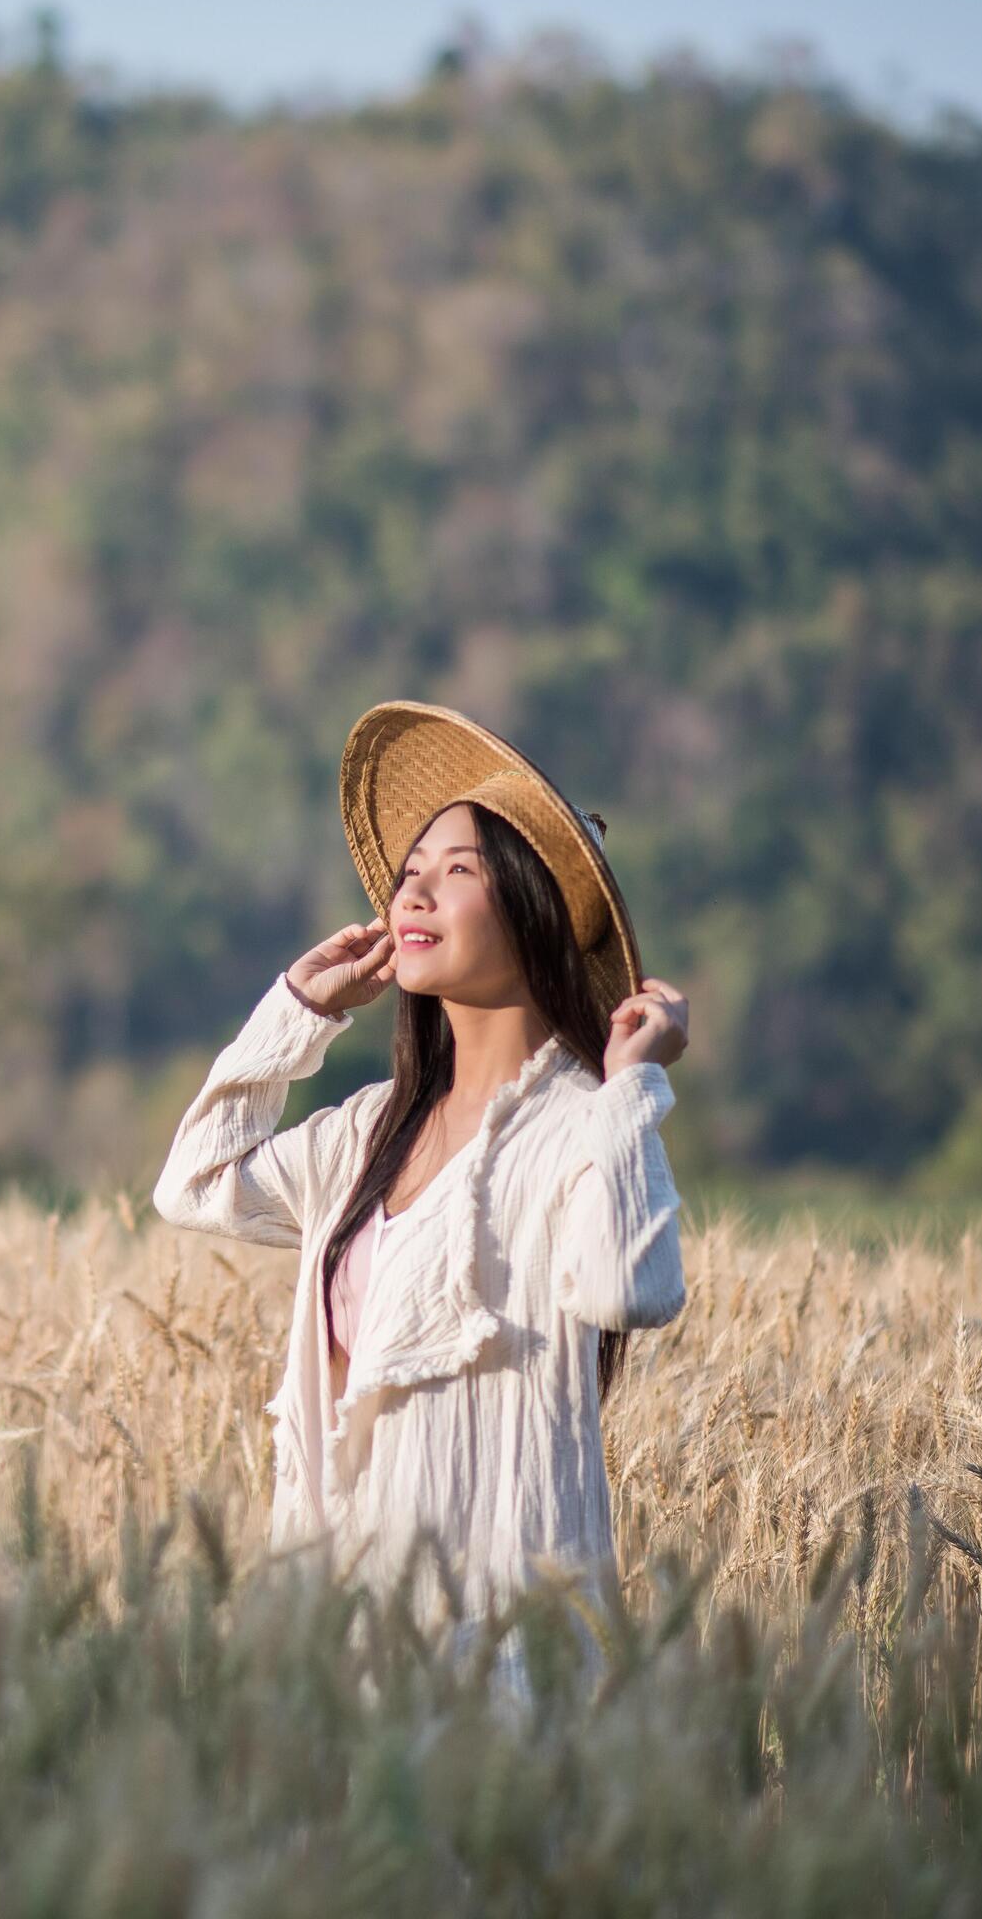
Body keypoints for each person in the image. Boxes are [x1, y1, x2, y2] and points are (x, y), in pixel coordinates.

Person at [150, 700, 690, 1712]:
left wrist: (630, 1089)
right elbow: (194, 1183)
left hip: (496, 1645)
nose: (415, 891)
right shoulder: (366, 1133)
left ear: (533, 913)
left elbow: (632, 1288)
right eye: (410, 870)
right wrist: (296, 1014)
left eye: (460, 870)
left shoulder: (581, 1126)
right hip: (341, 1634)